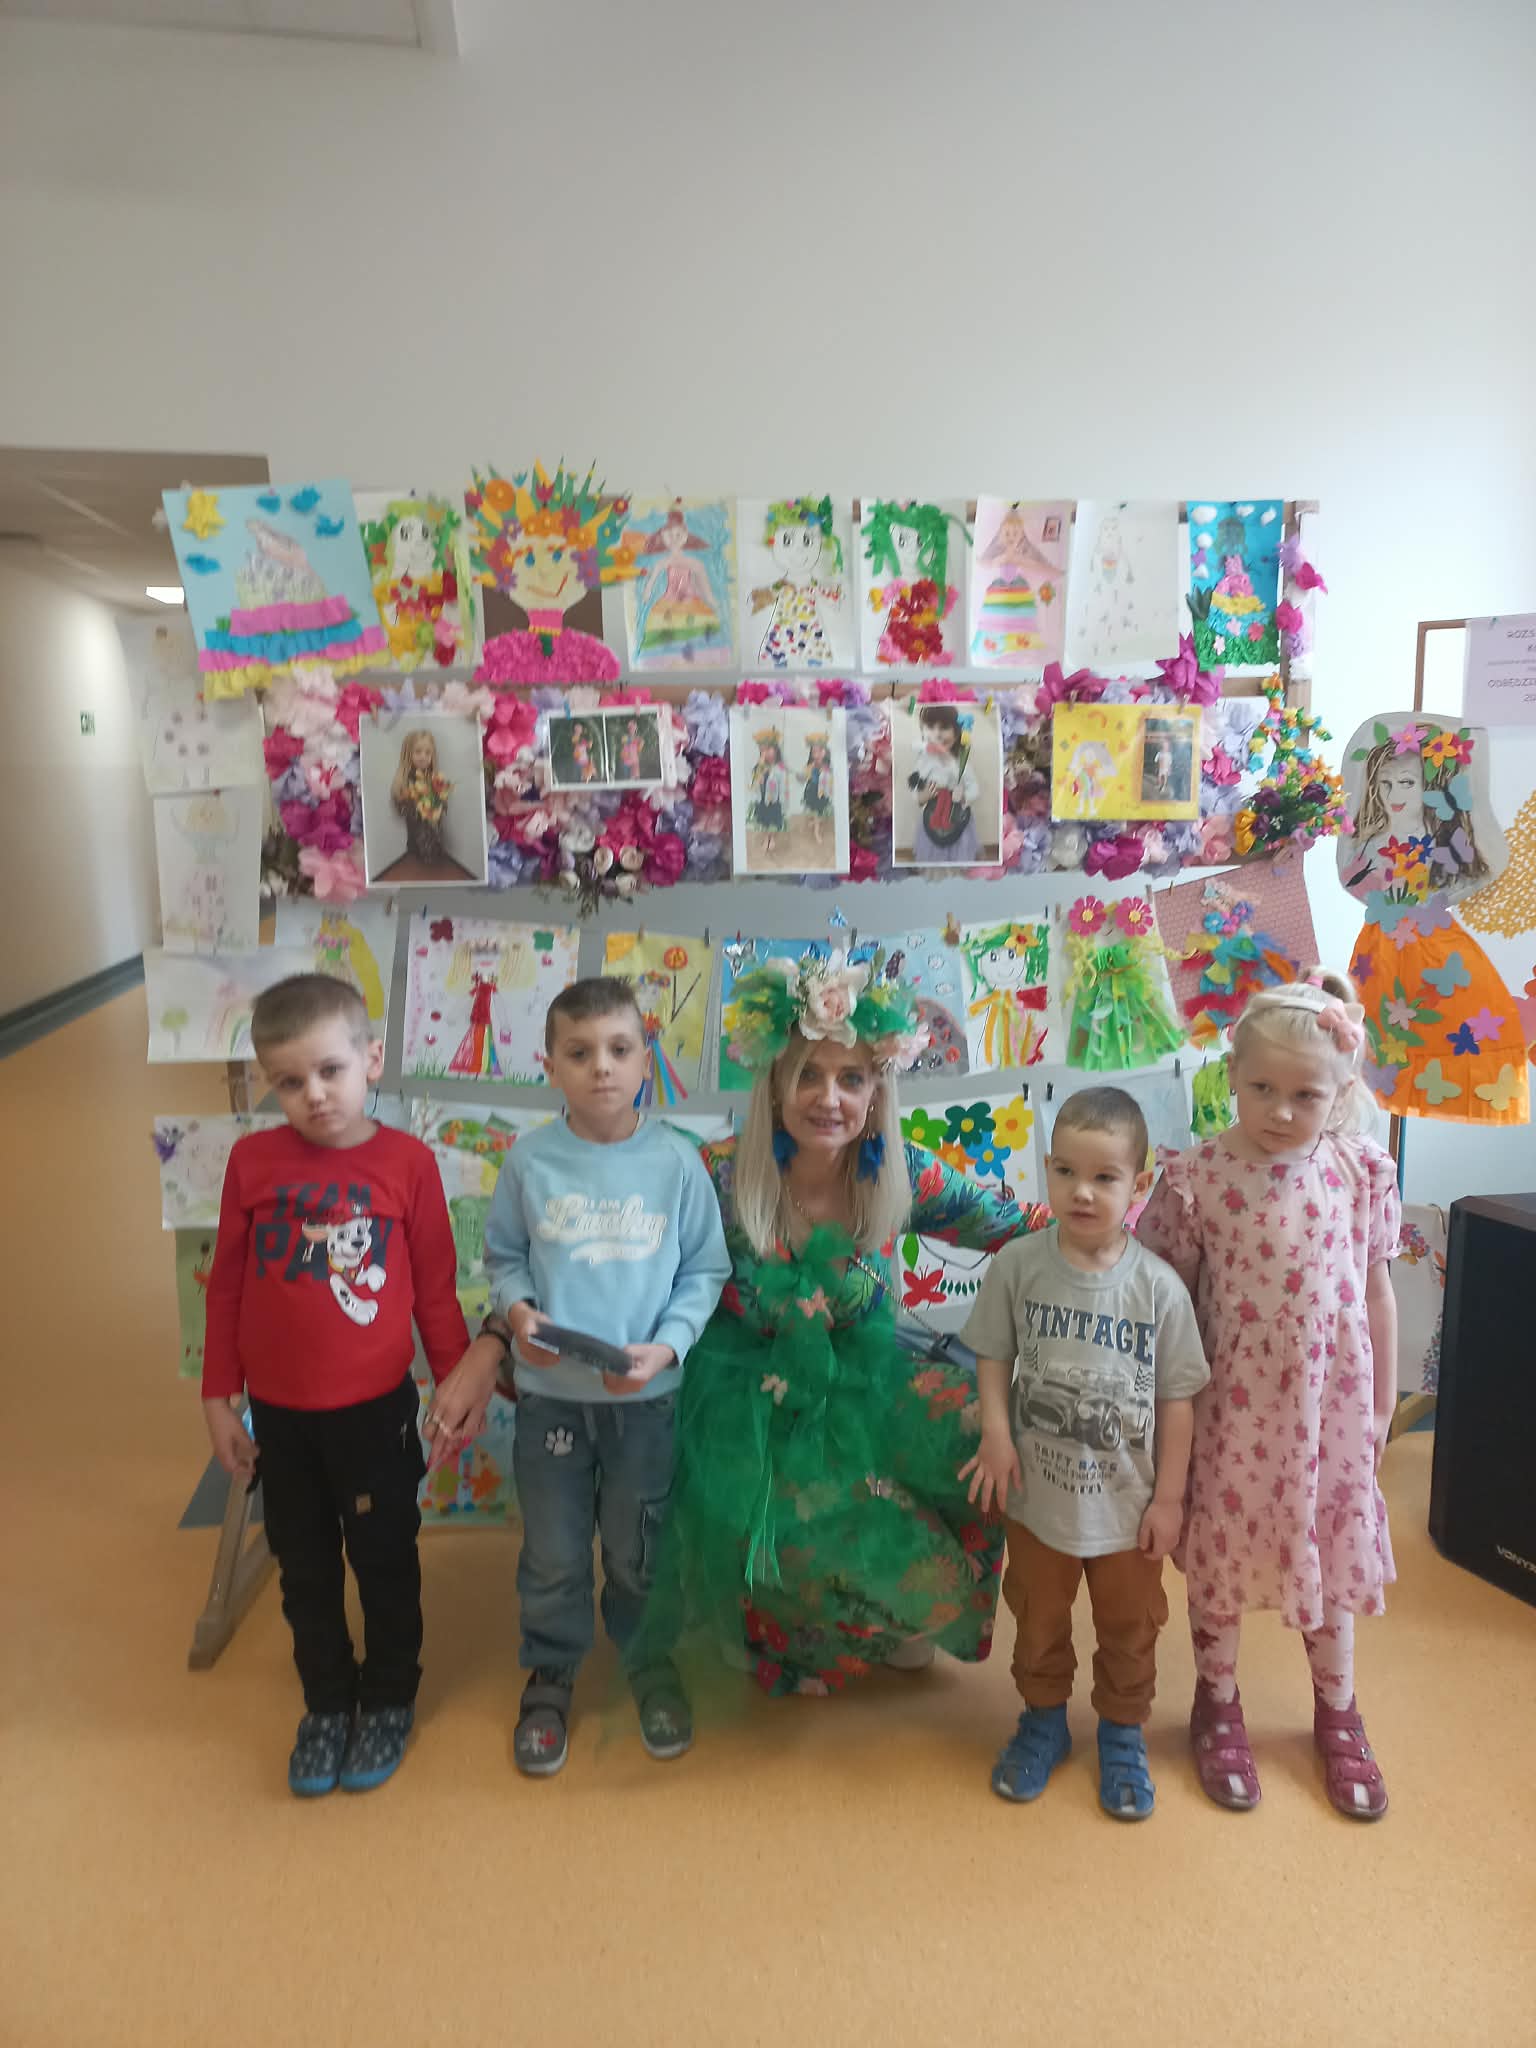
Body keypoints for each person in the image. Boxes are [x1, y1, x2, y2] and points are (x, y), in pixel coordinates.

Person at [627, 949, 1052, 1697]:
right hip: (752, 1409)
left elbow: (1014, 1225)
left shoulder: (897, 1169)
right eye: (808, 1076)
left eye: (851, 1078)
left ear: (876, 1088)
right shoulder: (716, 1174)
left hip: (866, 1387)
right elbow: (626, 1257)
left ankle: (904, 1619)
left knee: (981, 1428)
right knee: (813, 1516)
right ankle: (770, 1627)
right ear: (774, 1084)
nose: (829, 1099)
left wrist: (1126, 1243)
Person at [427, 979, 731, 1776]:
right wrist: (519, 1310)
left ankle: (649, 1659)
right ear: (551, 1066)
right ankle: (552, 1670)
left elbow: (705, 1271)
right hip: (551, 1402)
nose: (602, 1067)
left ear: (645, 1061)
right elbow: (504, 1257)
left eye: (620, 1049)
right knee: (555, 1551)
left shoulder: (677, 1161)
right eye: (580, 1052)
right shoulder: (531, 1160)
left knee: (639, 1548)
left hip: (646, 1403)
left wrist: (667, 1348)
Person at [1137, 971, 1400, 1820]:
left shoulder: (1361, 1170)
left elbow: (1376, 1291)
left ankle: (1338, 1709)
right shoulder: (1199, 1177)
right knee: (1222, 1554)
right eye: (1261, 1089)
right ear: (1232, 1075)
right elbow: (1169, 1300)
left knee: (1326, 1547)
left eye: (1305, 1096)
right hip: (1232, 1411)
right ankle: (1216, 1701)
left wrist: (1384, 1405)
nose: (1281, 1112)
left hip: (1331, 1412)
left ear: (1341, 1091)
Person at [200, 974, 468, 1797]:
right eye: (289, 1081)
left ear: (371, 1059)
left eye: (330, 1071)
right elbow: (228, 1288)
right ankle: (325, 1701)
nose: (313, 1095)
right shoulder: (252, 1163)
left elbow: (434, 1291)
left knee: (384, 1561)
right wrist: (218, 1396)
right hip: (281, 1420)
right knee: (305, 1566)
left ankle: (388, 1696)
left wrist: (458, 1384)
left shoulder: (408, 1163)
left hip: (375, 1416)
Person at [958, 1088, 1208, 1821]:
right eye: (1065, 1172)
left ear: (1140, 1181)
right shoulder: (1018, 1266)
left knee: (1132, 1625)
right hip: (1038, 1500)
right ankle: (1043, 1720)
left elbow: (1179, 1400)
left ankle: (1122, 1731)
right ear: (1047, 1170)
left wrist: (1170, 1499)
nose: (1082, 1192)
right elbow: (993, 1355)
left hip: (1128, 1509)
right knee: (1037, 1618)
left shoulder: (1159, 1290)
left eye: (1104, 1176)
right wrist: (996, 1432)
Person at [909, 704, 980, 863]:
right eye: (931, 727)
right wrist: (923, 795)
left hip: (956, 814)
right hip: (932, 814)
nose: (937, 734)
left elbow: (974, 787)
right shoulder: (924, 762)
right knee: (933, 851)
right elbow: (914, 787)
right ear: (923, 731)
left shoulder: (961, 763)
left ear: (956, 733)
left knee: (959, 850)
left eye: (944, 728)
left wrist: (964, 796)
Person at [390, 729, 453, 867]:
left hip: (433, 821)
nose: (423, 757)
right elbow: (402, 805)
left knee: (435, 837)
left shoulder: (433, 776)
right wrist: (415, 803)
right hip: (418, 824)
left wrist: (440, 800)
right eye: (418, 752)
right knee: (421, 842)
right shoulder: (406, 779)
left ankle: (434, 854)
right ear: (408, 754)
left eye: (427, 753)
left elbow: (441, 799)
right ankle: (425, 856)